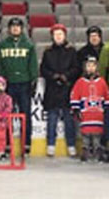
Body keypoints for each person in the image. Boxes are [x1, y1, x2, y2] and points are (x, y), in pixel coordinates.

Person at [0, 17, 37, 155]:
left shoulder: (29, 45)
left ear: (21, 28)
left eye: (18, 26)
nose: (15, 28)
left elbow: (33, 64)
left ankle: (26, 144)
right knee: (6, 115)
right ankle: (7, 144)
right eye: (12, 26)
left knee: (25, 115)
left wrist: (33, 80)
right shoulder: (2, 45)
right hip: (8, 84)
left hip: (24, 84)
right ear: (9, 29)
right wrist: (1, 81)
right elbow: (0, 65)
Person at [40, 23, 81, 157]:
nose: (58, 37)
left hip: (67, 88)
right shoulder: (47, 52)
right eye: (56, 34)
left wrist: (66, 76)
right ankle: (50, 145)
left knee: (69, 120)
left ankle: (71, 145)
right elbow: (43, 69)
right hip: (52, 89)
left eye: (60, 34)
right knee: (51, 119)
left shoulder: (71, 51)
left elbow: (76, 68)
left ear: (64, 36)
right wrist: (53, 76)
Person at [70, 56, 109, 162]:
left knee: (97, 133)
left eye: (93, 66)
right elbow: (74, 96)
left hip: (98, 114)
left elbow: (106, 96)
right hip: (85, 114)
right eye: (88, 66)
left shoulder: (102, 82)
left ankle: (97, 149)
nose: (91, 68)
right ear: (85, 67)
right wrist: (76, 109)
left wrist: (107, 109)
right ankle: (85, 149)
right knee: (85, 133)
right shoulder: (80, 82)